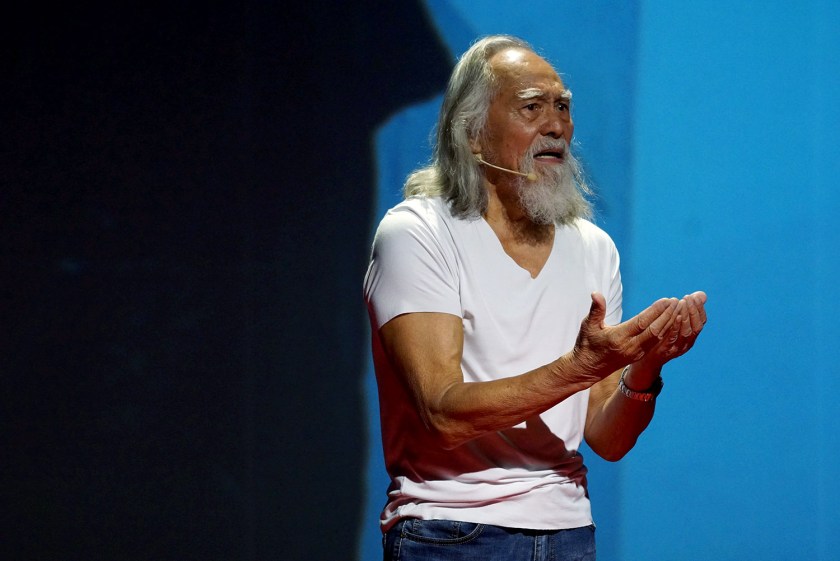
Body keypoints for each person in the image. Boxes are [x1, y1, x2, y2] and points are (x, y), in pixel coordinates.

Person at [363, 34, 707, 561]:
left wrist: (645, 368)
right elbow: (444, 414)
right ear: (473, 134)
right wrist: (581, 366)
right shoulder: (418, 233)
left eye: (563, 107)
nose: (556, 126)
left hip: (569, 533)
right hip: (451, 532)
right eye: (532, 108)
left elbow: (607, 440)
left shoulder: (593, 247)